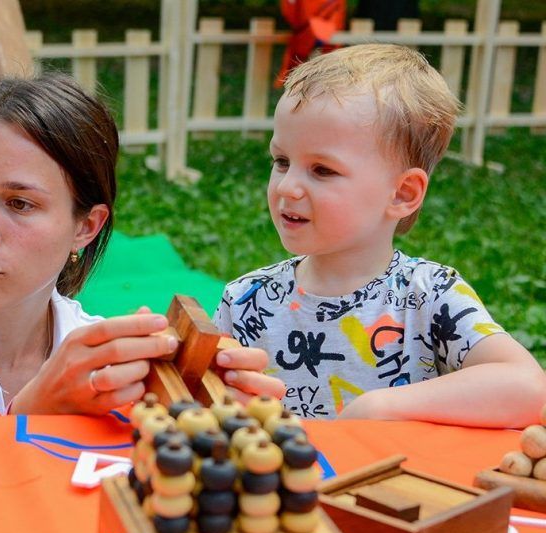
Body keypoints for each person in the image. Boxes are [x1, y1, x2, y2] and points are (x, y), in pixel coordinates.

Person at [0, 74, 284, 420]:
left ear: (86, 227)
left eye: (19, 203)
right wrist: (29, 413)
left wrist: (205, 430)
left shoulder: (113, 376)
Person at [213, 44, 546, 426]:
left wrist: (383, 406)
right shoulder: (246, 301)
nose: (288, 187)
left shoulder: (429, 295)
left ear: (402, 194)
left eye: (322, 170)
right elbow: (197, 401)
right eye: (282, 161)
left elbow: (528, 387)